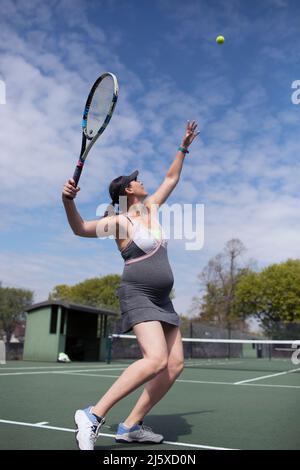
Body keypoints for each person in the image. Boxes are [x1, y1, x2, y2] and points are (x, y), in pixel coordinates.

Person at [62, 120, 199, 450]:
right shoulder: (120, 221)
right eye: (136, 180)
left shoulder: (151, 208)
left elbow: (171, 178)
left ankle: (131, 425)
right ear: (127, 190)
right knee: (154, 360)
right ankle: (92, 415)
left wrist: (183, 147)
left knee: (174, 364)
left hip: (163, 300)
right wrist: (68, 201)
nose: (141, 181)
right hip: (138, 293)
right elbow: (80, 228)